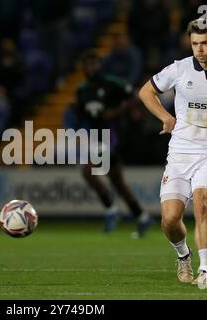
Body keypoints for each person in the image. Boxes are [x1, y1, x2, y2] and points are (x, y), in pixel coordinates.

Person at [138, 19, 207, 289]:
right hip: (180, 152)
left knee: (203, 204)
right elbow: (146, 92)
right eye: (194, 44)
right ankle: (183, 256)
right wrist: (166, 118)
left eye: (204, 43)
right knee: (169, 219)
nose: (199, 50)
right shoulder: (179, 69)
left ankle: (205, 270)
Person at [71, 50, 153, 237]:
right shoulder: (82, 90)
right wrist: (75, 111)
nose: (91, 68)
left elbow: (134, 97)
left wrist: (116, 112)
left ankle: (110, 208)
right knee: (117, 182)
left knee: (88, 171)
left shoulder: (111, 83)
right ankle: (141, 216)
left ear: (100, 65)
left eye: (94, 64)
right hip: (96, 137)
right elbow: (86, 115)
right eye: (87, 65)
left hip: (113, 136)